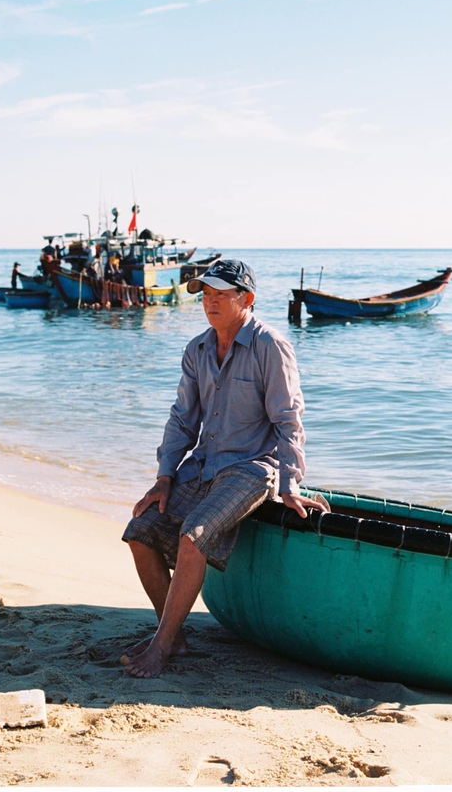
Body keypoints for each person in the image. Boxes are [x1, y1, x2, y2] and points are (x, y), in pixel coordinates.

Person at [120, 258, 327, 678]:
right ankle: (173, 636)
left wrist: (289, 483)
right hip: (202, 465)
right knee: (139, 531)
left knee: (193, 537)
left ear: (246, 299)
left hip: (253, 468)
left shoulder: (271, 345)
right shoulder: (197, 348)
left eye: (220, 295)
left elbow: (289, 419)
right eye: (205, 296)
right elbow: (182, 419)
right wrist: (164, 478)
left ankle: (160, 648)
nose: (209, 303)